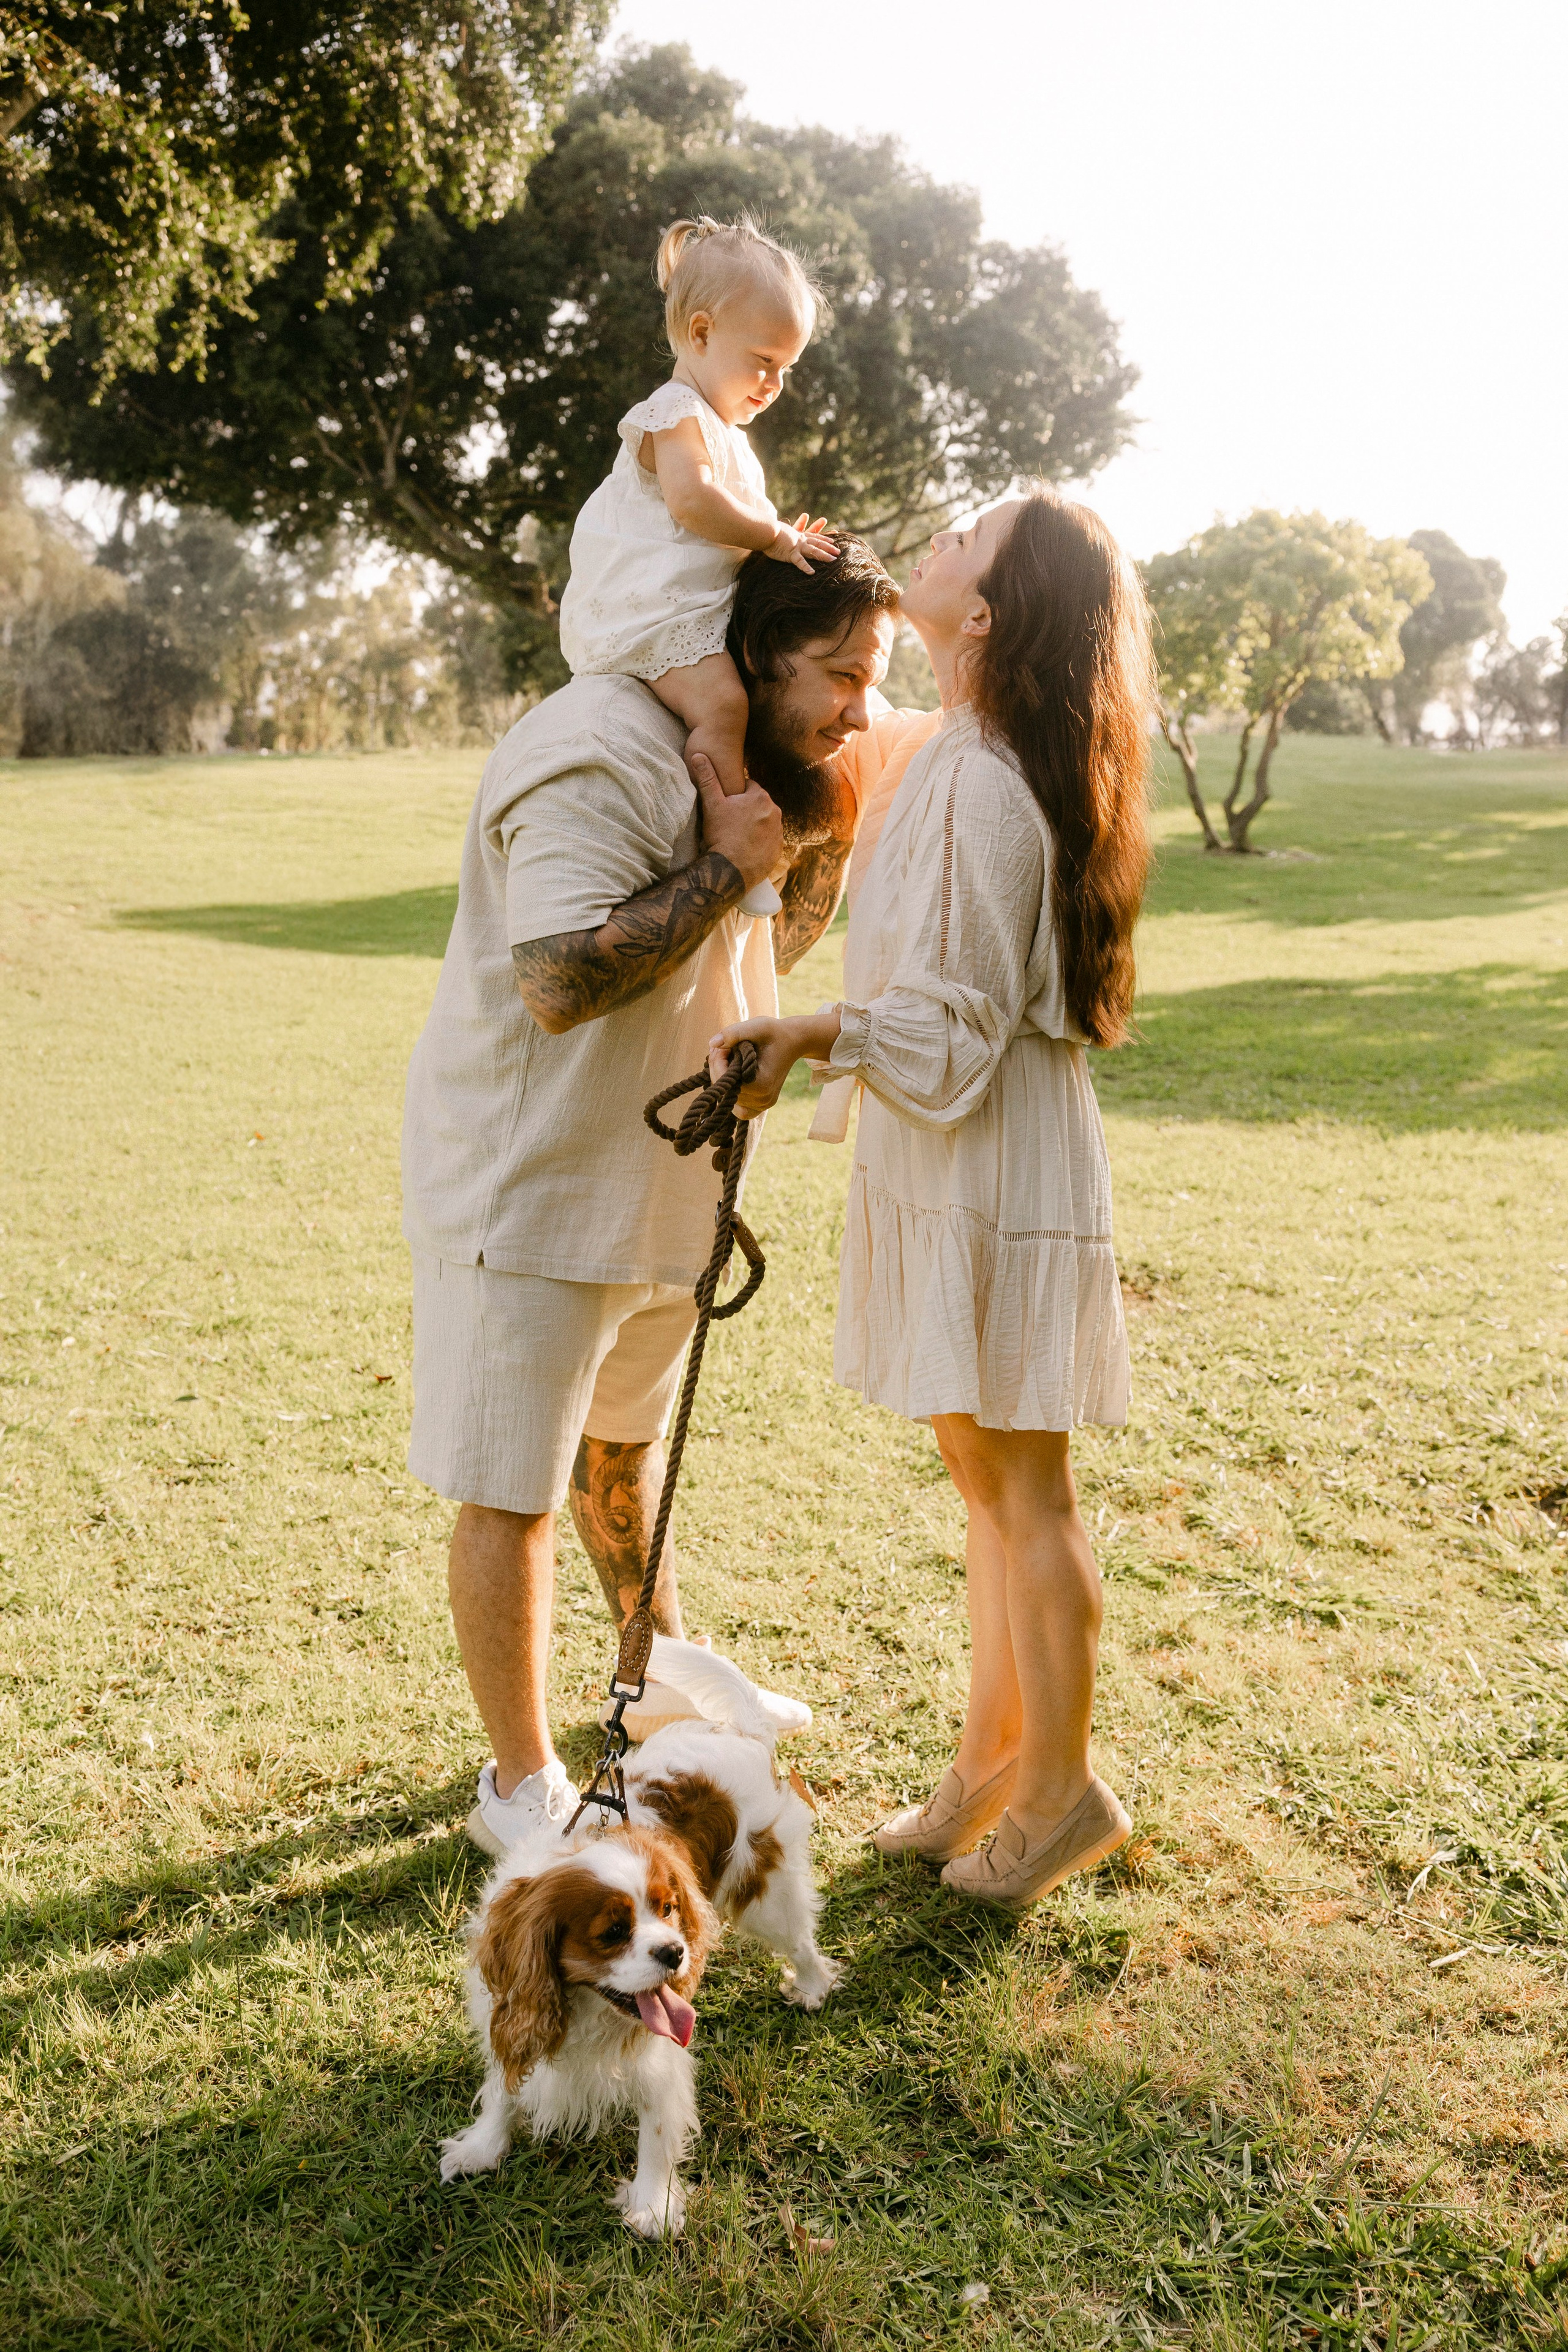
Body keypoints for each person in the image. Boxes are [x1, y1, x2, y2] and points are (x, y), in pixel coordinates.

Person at [402, 533, 902, 1856]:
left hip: (662, 1187)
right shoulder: (599, 751)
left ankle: (657, 1685)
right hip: (534, 1189)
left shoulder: (748, 773)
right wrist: (738, 861)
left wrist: (811, 842)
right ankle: (517, 1790)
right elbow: (560, 981)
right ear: (746, 649)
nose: (859, 706)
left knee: (617, 1455)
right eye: (841, 676)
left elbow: (755, 948)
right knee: (509, 1488)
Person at [709, 488, 1153, 1909]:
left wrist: (809, 1030)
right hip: (960, 1147)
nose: (943, 532)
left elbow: (954, 1018)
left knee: (1026, 1489)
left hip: (987, 1144)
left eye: (970, 534)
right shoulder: (957, 745)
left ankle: (1060, 1787)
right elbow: (837, 725)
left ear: (988, 610)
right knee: (986, 1484)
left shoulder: (978, 774)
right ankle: (989, 1765)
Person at [558, 216, 837, 917]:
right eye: (764, 360)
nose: (774, 384)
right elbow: (691, 502)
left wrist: (773, 542)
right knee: (724, 703)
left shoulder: (725, 433)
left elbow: (725, 519)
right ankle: (728, 842)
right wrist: (770, 536)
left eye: (787, 369)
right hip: (650, 611)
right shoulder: (674, 412)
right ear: (703, 333)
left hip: (693, 605)